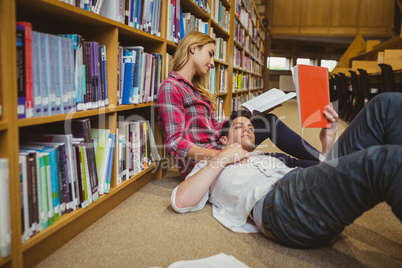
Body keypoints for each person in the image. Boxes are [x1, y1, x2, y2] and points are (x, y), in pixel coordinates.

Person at [171, 92, 402, 249]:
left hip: (303, 189)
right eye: (240, 126)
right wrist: (223, 158)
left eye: (251, 127)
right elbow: (180, 201)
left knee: (385, 105)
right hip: (278, 203)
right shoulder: (212, 164)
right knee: (389, 161)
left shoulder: (267, 156)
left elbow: (324, 172)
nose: (248, 130)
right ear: (222, 139)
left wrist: (328, 144)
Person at [156, 31, 320, 179]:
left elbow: (213, 126)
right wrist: (223, 154)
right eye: (210, 54)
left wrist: (252, 116)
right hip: (204, 158)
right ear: (193, 49)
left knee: (267, 121)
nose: (213, 63)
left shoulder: (196, 89)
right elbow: (175, 142)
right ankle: (327, 165)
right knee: (278, 160)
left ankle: (324, 161)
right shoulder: (171, 87)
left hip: (222, 142)